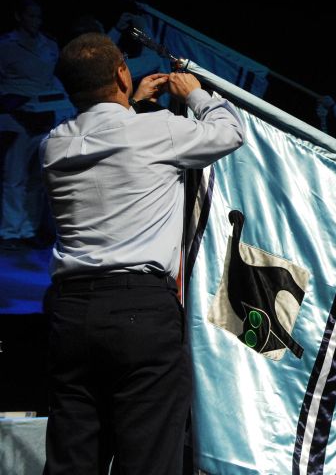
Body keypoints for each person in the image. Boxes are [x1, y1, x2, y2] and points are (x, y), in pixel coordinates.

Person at [41, 32, 245, 474]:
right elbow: (229, 134)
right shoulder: (157, 131)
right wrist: (198, 97)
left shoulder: (54, 144)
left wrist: (129, 102)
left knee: (72, 460)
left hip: (70, 315)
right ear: (121, 71)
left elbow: (111, 134)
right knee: (148, 457)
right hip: (139, 312)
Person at [0, 0, 71, 248]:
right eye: (31, 17)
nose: (36, 22)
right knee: (14, 176)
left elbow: (54, 79)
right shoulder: (6, 45)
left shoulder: (49, 44)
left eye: (39, 17)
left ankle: (29, 229)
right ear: (19, 17)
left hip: (44, 115)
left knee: (37, 177)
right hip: (16, 117)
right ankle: (10, 232)